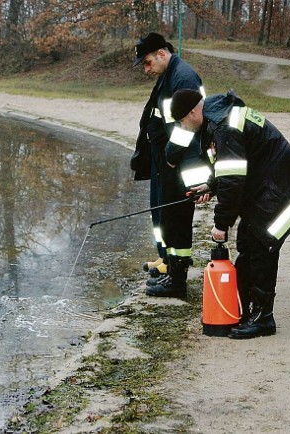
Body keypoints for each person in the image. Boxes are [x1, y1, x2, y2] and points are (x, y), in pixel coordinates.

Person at [170, 89, 290, 339]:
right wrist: (212, 185)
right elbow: (232, 169)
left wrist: (221, 224)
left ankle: (263, 318)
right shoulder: (216, 117)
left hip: (281, 190)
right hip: (265, 187)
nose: (183, 127)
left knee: (261, 247)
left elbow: (232, 179)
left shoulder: (223, 126)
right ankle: (246, 310)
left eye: (182, 121)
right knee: (247, 245)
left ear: (193, 112)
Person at [129, 33, 210, 298]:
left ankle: (177, 281)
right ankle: (170, 269)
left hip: (178, 161)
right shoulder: (169, 74)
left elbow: (189, 125)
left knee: (176, 220)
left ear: (162, 54)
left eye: (148, 62)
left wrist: (171, 156)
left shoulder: (183, 76)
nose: (146, 68)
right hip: (167, 160)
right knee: (165, 217)